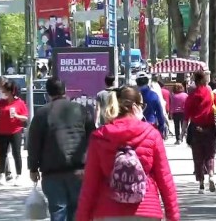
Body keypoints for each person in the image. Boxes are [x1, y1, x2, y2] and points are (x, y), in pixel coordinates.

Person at [76, 86, 180, 221]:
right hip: (147, 211)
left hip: (108, 212)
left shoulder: (100, 137)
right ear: (136, 107)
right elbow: (165, 180)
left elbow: (90, 184)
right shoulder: (152, 134)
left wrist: (82, 217)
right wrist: (173, 216)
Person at [28, 77, 95, 221]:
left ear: (48, 93)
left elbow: (34, 143)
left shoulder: (41, 114)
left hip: (52, 172)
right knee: (77, 210)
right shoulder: (81, 110)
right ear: (65, 90)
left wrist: (33, 168)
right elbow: (93, 139)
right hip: (79, 170)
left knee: (58, 210)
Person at [180, 71, 216, 194]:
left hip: (196, 129)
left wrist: (182, 133)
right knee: (210, 154)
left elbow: (186, 116)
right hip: (210, 129)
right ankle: (211, 175)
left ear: (195, 81)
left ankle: (201, 184)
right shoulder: (211, 95)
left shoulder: (191, 97)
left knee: (198, 157)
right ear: (205, 80)